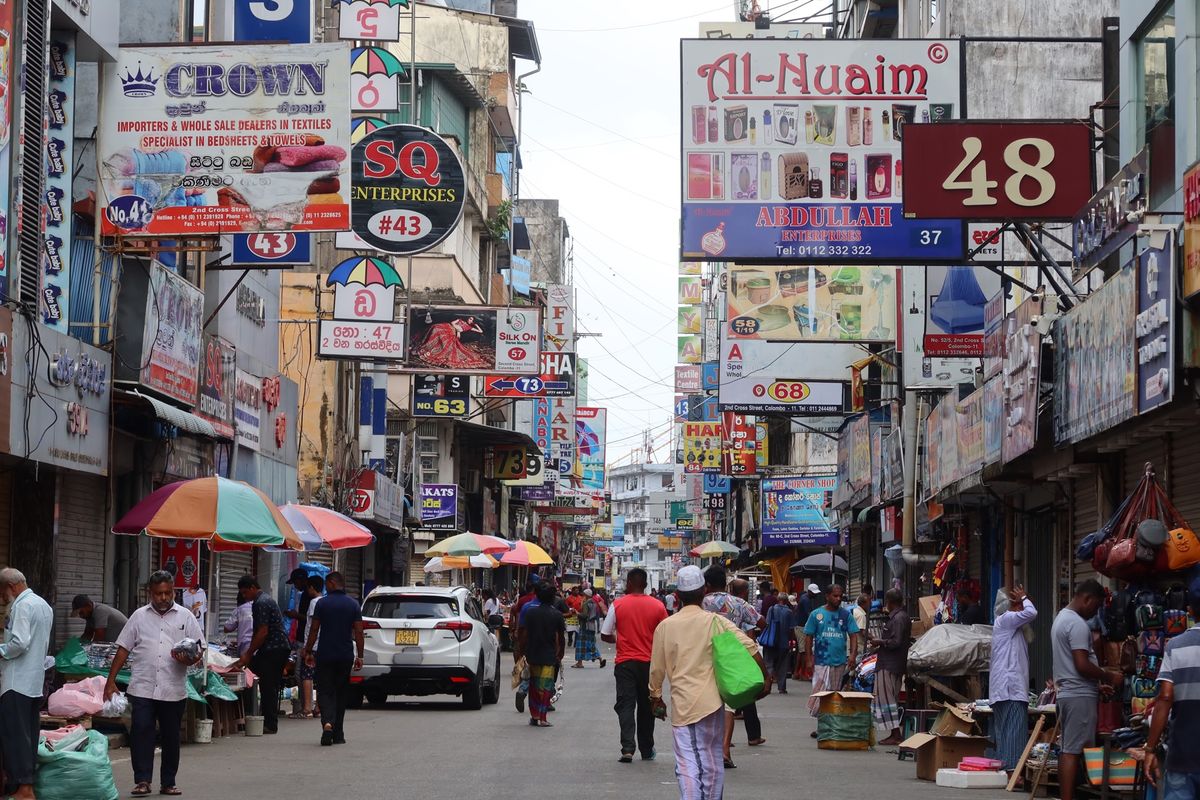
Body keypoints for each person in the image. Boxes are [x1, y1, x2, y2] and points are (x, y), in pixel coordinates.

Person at [650, 565, 768, 800]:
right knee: (711, 759)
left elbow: (656, 669)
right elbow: (750, 646)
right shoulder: (715, 621)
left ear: (677, 595)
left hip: (683, 703)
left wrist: (655, 697)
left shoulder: (665, 626)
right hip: (713, 703)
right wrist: (766, 678)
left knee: (687, 762)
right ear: (703, 591)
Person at [106, 570, 205, 797]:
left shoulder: (186, 617)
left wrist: (190, 658)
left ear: (173, 592)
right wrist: (110, 681)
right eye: (159, 593)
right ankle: (142, 781)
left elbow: (199, 649)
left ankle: (168, 782)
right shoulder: (138, 616)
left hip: (173, 688)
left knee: (171, 736)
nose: (163, 598)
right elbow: (123, 648)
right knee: (141, 733)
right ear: (150, 593)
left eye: (168, 593)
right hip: (142, 686)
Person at [1052, 580, 1123, 800]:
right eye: (1096, 606)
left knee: (1069, 748)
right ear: (1087, 598)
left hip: (1071, 692)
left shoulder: (1061, 618)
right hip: (1078, 695)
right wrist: (1109, 676)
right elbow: (1082, 665)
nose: (1096, 611)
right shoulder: (1077, 624)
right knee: (1072, 751)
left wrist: (1096, 685)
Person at [702, 567, 768, 768]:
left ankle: (707, 750)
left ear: (707, 584)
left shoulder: (701, 602)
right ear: (725, 583)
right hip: (733, 656)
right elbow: (762, 622)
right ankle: (724, 750)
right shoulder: (739, 603)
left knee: (706, 700)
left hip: (705, 655)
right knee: (728, 705)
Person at [601, 567, 667, 762]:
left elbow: (605, 634)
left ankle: (628, 748)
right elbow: (666, 634)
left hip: (625, 663)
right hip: (649, 664)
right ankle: (646, 749)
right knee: (647, 707)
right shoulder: (658, 606)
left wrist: (620, 640)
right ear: (645, 584)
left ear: (629, 583)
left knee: (626, 705)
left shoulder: (618, 604)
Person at [1145, 576, 1200, 798]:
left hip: (1182, 754)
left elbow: (1165, 697)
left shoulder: (1175, 646)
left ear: (1190, 611)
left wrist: (1150, 749)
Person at [0, 568, 52, 800]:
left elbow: (19, 643)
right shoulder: (43, 605)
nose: (3, 599)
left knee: (15, 736)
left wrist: (1, 650)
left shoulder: (22, 606)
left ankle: (24, 789)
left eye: (2, 593)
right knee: (28, 735)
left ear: (10, 587)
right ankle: (24, 786)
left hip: (16, 682)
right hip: (33, 682)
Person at [303, 572, 363, 746]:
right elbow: (359, 632)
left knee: (325, 690)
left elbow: (314, 630)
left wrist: (308, 651)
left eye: (326, 584)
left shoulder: (322, 603)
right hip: (345, 655)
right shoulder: (353, 604)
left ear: (331, 583)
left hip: (325, 654)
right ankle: (338, 733)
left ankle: (327, 723)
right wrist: (360, 656)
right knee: (341, 692)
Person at [232, 575, 292, 735]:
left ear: (253, 588)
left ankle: (269, 723)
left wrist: (248, 654)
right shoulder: (263, 600)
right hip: (274, 647)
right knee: (264, 681)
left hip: (274, 648)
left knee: (268, 685)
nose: (244, 596)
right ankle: (259, 717)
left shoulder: (261, 603)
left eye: (245, 592)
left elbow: (262, 631)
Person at [990, 586, 1037, 771]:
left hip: (1006, 689)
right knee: (1014, 734)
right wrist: (1024, 597)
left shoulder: (1008, 626)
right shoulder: (1006, 619)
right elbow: (1032, 613)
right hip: (1010, 689)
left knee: (1007, 734)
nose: (1023, 608)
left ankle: (1007, 771)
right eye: (1020, 605)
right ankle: (1012, 772)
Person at [804, 584, 860, 731]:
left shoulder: (846, 615)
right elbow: (808, 637)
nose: (838, 599)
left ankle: (829, 727)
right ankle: (822, 726)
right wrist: (808, 659)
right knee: (820, 693)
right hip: (821, 661)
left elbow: (853, 635)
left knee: (834, 694)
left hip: (839, 661)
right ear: (827, 596)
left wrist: (853, 655)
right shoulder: (816, 614)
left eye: (840, 596)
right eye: (835, 596)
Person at [518, 583, 564, 727]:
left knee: (534, 686)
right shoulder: (557, 614)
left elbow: (524, 634)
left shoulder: (531, 613)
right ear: (552, 598)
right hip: (549, 655)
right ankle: (543, 717)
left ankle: (535, 715)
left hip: (532, 653)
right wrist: (560, 652)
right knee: (546, 686)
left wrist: (521, 651)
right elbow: (560, 637)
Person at [870, 588, 912, 745]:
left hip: (889, 664)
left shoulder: (898, 618)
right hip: (892, 663)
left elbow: (896, 642)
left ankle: (895, 734)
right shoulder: (900, 616)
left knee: (887, 700)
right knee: (889, 699)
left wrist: (879, 642)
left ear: (890, 602)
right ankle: (894, 733)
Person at [292, 574, 325, 719]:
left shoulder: (314, 603)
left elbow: (312, 627)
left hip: (313, 646)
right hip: (322, 645)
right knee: (320, 677)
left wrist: (307, 648)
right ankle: (318, 708)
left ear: (312, 588)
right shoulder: (325, 601)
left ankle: (306, 709)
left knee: (307, 676)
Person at [763, 592, 795, 694]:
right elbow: (791, 629)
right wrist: (791, 642)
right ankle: (782, 688)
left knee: (769, 664)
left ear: (778, 599)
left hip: (771, 641)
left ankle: (767, 686)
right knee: (783, 665)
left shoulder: (771, 609)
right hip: (784, 642)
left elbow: (767, 623)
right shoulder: (789, 612)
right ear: (786, 601)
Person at [573, 588, 606, 668]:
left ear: (586, 595)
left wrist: (577, 613)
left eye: (584, 595)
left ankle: (579, 663)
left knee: (581, 644)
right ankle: (600, 659)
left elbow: (584, 615)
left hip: (585, 626)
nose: (582, 596)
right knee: (590, 644)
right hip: (592, 626)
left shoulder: (586, 604)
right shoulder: (594, 603)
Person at [222, 582, 255, 656]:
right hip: (258, 645)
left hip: (245, 647)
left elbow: (227, 628)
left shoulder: (240, 609)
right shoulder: (258, 606)